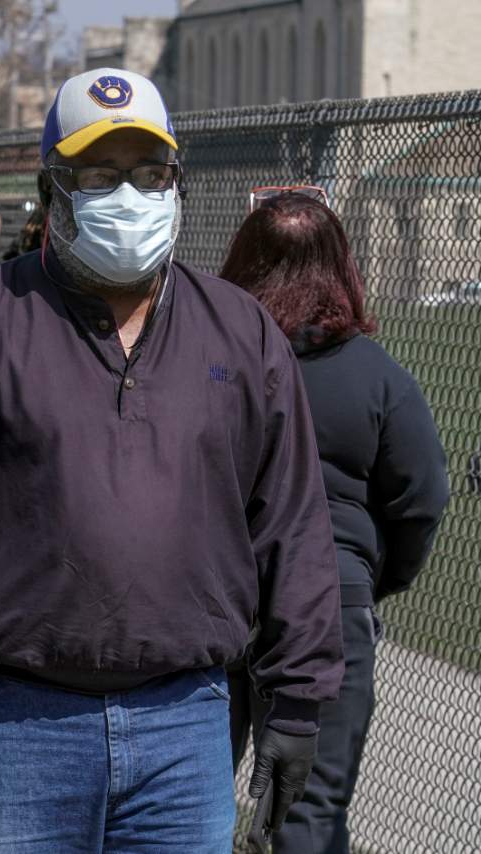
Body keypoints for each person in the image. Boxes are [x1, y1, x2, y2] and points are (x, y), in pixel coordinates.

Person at [0, 68, 345, 851]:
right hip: (9, 725)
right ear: (53, 191)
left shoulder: (239, 333)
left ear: (177, 185)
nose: (130, 195)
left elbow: (291, 525)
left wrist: (295, 700)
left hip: (185, 730)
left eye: (151, 174)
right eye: (100, 175)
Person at [220, 192, 450, 854]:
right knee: (309, 806)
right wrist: (368, 580)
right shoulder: (378, 376)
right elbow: (422, 497)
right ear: (342, 267)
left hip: (216, 593)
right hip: (329, 601)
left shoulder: (212, 363)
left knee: (191, 789)